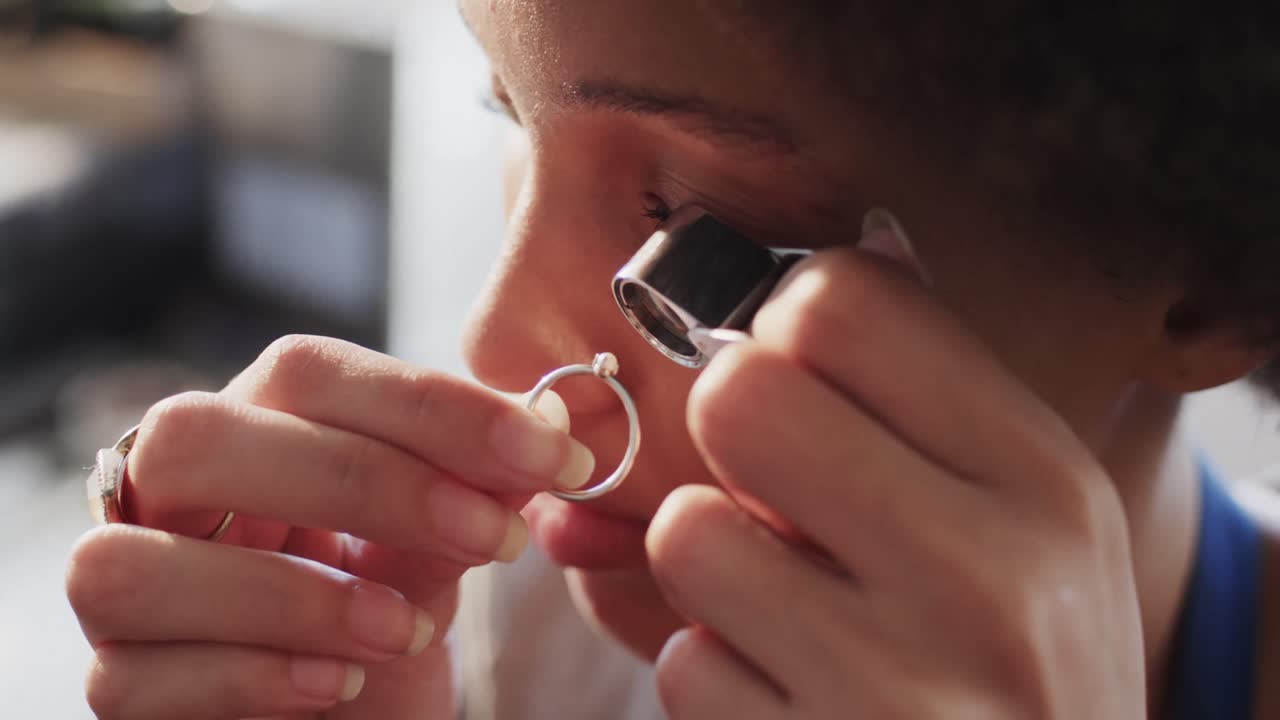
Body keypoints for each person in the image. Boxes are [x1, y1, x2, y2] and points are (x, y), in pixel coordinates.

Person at [64, 1, 1280, 718]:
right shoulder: (528, 625)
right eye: (506, 110)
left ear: (1205, 295)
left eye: (705, 230)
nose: (495, 345)